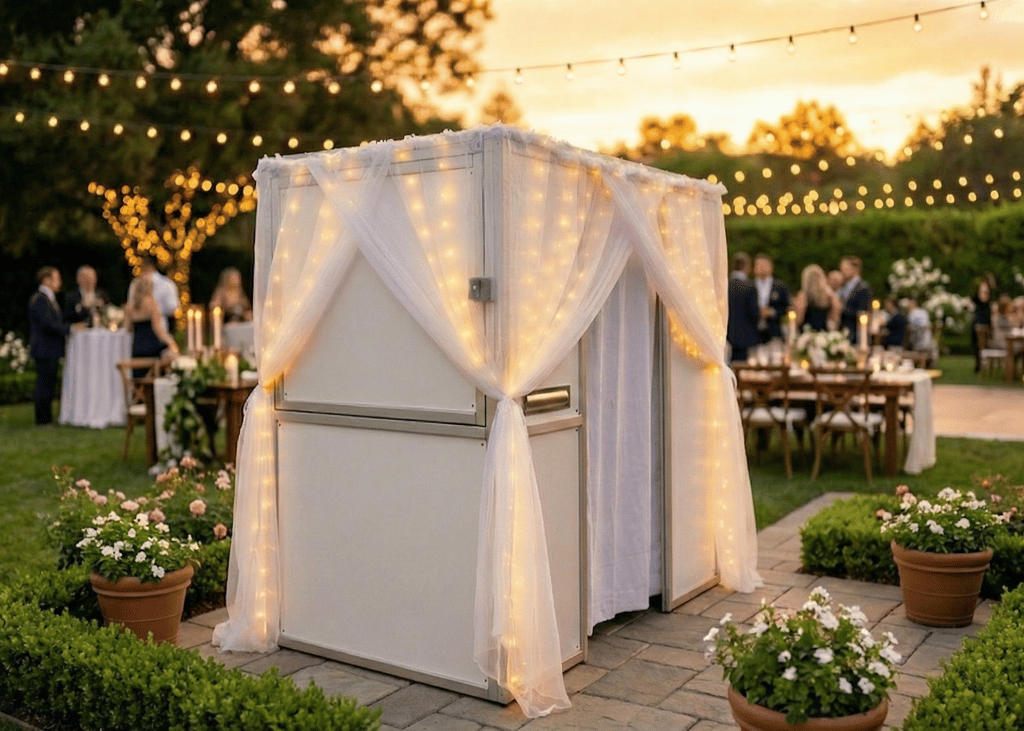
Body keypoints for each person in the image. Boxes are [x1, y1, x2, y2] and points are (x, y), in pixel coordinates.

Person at [28, 267, 72, 426]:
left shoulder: (48, 298)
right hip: (44, 349)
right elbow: (48, 324)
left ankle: (46, 417)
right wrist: (70, 329)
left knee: (48, 383)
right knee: (44, 384)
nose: (59, 282)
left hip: (49, 349)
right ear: (46, 280)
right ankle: (43, 419)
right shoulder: (40, 299)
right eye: (56, 278)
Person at [126, 276, 179, 368]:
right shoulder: (151, 303)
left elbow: (128, 328)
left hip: (137, 348)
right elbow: (158, 329)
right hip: (152, 346)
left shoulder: (129, 307)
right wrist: (172, 343)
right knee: (171, 356)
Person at [129, 256, 179, 335]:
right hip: (159, 329)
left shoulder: (135, 284)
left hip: (139, 332)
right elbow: (172, 308)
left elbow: (128, 327)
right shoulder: (167, 284)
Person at [727, 252, 759, 363]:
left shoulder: (725, 284)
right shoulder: (750, 286)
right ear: (747, 266)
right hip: (745, 337)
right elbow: (754, 312)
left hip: (726, 336)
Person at [752, 253, 790, 345]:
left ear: (771, 267)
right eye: (758, 265)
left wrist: (772, 312)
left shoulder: (781, 286)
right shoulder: (749, 286)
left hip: (774, 332)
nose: (761, 268)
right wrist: (757, 311)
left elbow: (786, 307)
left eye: (764, 265)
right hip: (753, 332)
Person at [792, 264, 841, 332]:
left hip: (807, 333)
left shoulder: (803, 296)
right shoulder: (830, 295)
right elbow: (835, 317)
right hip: (824, 333)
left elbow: (799, 319)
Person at [837, 256, 873, 344]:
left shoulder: (863, 288)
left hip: (855, 335)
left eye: (845, 268)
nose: (842, 272)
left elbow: (863, 312)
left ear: (855, 268)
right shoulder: (843, 287)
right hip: (843, 333)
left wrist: (840, 309)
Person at [970, 278, 993, 373]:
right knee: (978, 346)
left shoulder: (989, 305)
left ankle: (985, 365)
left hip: (987, 326)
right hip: (978, 326)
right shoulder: (976, 302)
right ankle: (978, 365)